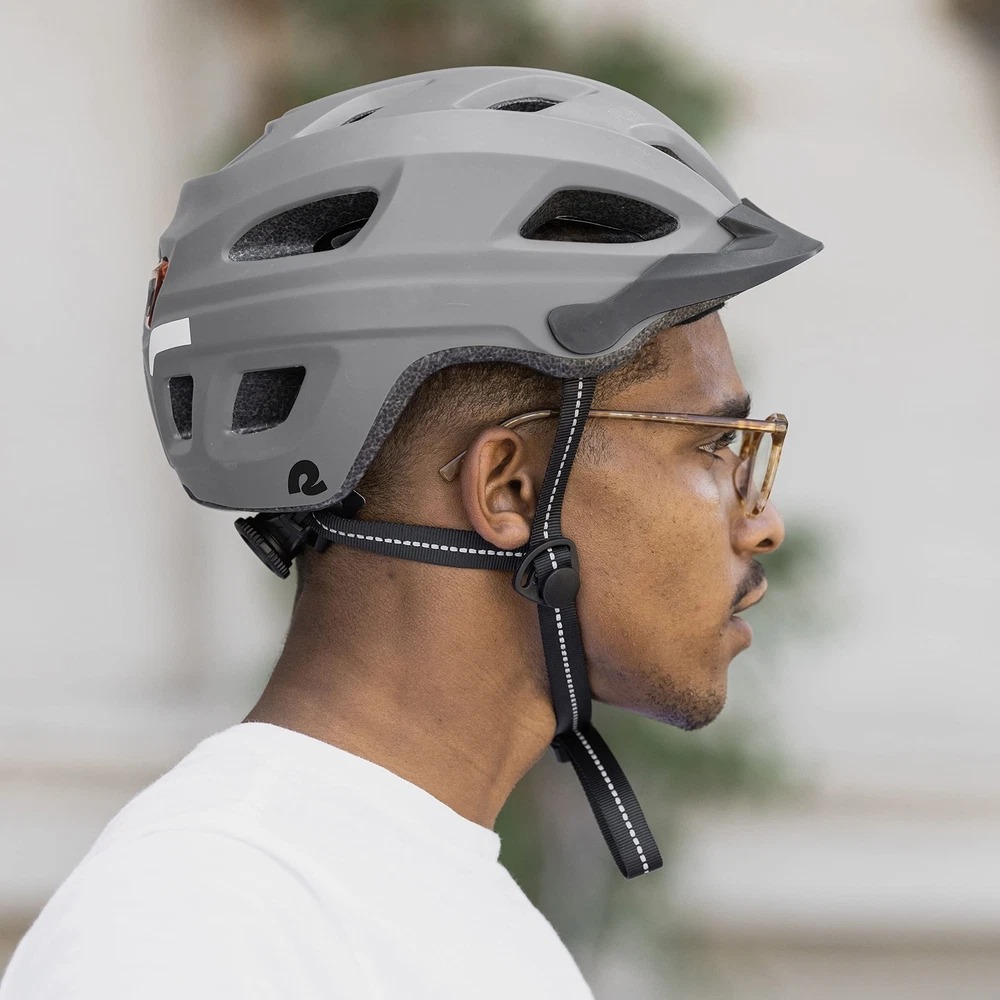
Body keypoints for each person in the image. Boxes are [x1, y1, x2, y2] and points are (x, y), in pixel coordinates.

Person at [0, 66, 822, 999]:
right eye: (715, 444)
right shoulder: (201, 925)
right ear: (510, 488)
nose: (763, 524)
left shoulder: (427, 903)